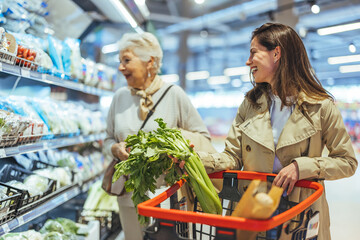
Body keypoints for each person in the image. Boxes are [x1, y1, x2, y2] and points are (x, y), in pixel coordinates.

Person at [197, 23, 358, 240]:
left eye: (254, 52)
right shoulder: (250, 104)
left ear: (276, 53)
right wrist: (196, 160)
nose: (248, 61)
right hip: (252, 211)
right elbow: (232, 157)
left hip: (299, 218)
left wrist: (301, 167)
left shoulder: (321, 107)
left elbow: (347, 162)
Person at [103, 32, 215, 240]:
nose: (120, 67)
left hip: (168, 196)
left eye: (126, 60)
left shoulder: (174, 94)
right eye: (119, 61)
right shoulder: (119, 97)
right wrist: (114, 149)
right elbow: (107, 138)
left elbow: (203, 138)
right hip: (129, 196)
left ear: (149, 62)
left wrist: (174, 143)